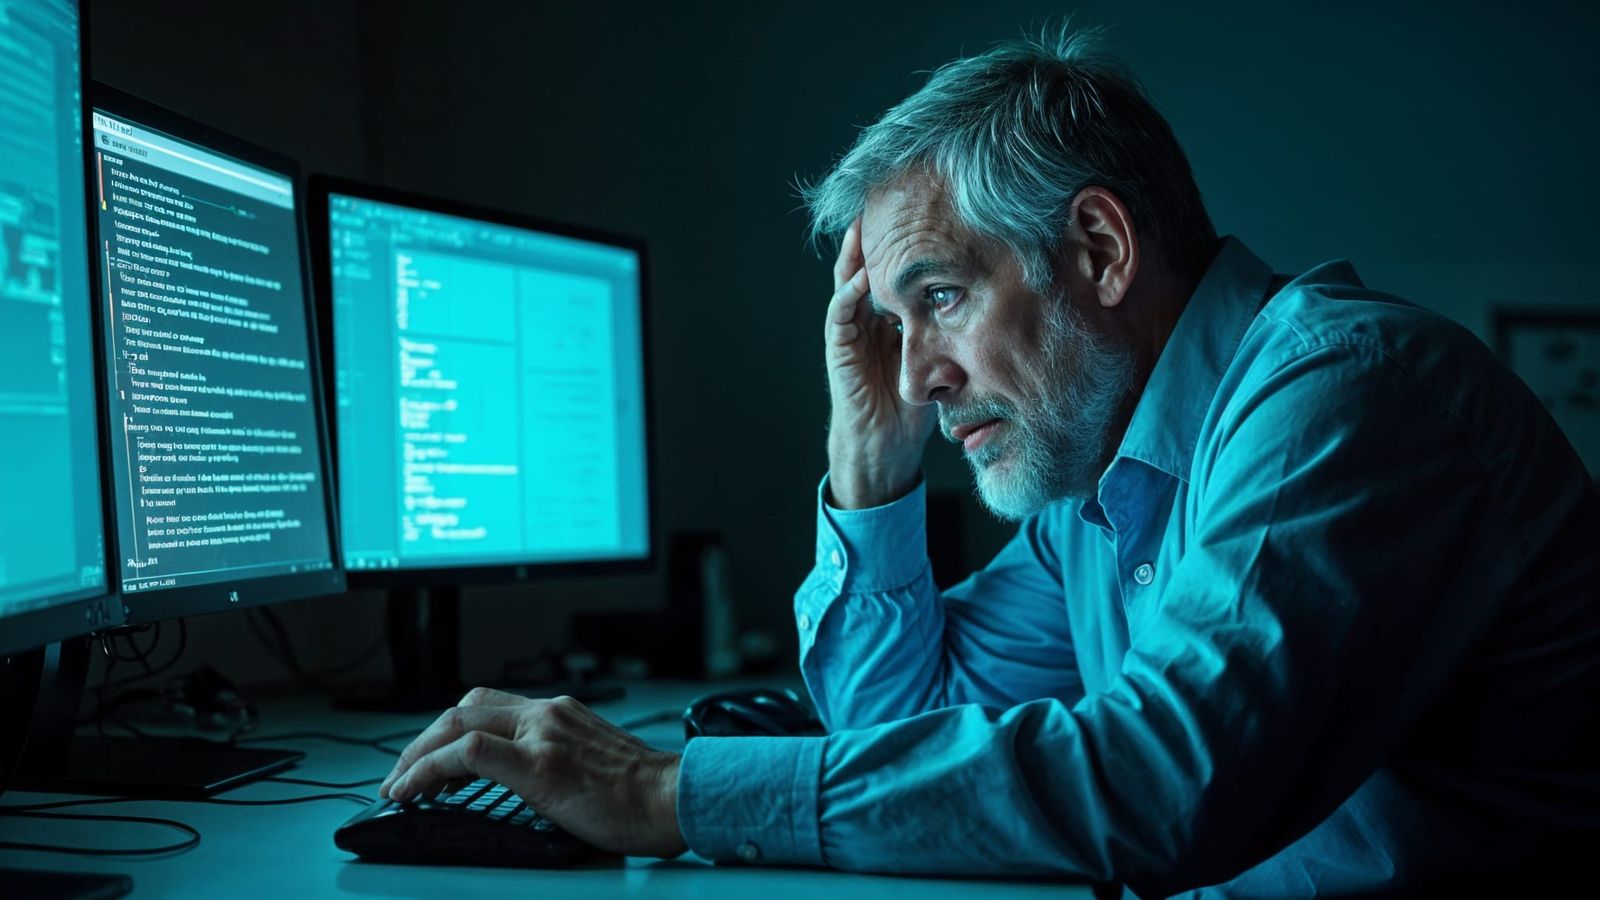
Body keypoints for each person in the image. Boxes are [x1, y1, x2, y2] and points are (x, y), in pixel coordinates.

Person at [378, 26, 1600, 896]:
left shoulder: (1346, 395)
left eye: (942, 299)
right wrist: (870, 458)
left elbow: (1160, 785)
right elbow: (905, 725)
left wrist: (665, 795)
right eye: (889, 328)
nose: (915, 374)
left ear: (1098, 251)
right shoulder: (1104, 487)